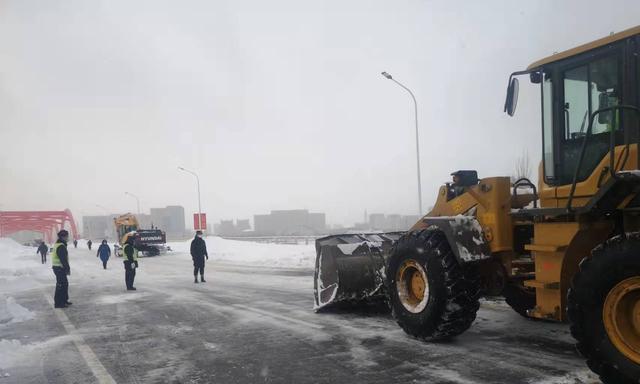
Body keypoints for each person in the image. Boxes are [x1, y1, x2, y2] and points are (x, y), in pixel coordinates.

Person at [51, 230, 72, 308]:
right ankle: (58, 303)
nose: (67, 238)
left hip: (59, 268)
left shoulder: (59, 244)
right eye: (67, 236)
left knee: (64, 284)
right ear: (63, 237)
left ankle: (64, 300)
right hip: (59, 268)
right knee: (61, 285)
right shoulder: (61, 246)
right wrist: (67, 269)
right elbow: (63, 259)